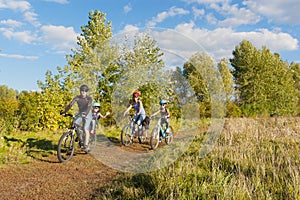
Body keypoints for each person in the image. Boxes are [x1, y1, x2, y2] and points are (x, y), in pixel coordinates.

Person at [61, 84, 93, 152]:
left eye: (85, 91)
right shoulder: (77, 97)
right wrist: (65, 112)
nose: (83, 92)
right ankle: (80, 138)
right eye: (82, 91)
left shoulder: (89, 98)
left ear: (86, 92)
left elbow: (89, 107)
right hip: (80, 113)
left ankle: (86, 145)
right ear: (80, 91)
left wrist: (85, 113)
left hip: (88, 113)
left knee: (85, 128)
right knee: (75, 124)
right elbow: (70, 105)